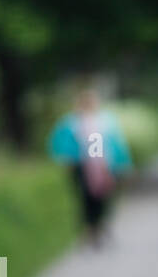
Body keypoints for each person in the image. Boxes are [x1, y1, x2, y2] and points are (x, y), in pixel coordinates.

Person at [48, 85, 132, 246]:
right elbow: (60, 144)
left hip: (105, 167)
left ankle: (101, 225)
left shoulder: (105, 121)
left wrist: (123, 163)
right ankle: (90, 228)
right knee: (86, 198)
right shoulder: (71, 123)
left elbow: (116, 144)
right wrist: (67, 158)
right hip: (82, 166)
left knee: (104, 197)